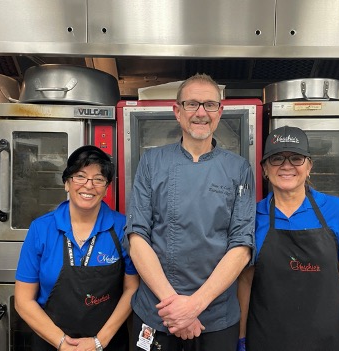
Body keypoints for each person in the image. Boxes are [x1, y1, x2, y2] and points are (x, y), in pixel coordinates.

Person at [123, 73, 256, 351]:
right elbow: (137, 238)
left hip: (215, 317)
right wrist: (176, 309)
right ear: (177, 111)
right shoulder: (151, 162)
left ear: (219, 112)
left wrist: (194, 306)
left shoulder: (238, 169)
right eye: (192, 104)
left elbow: (242, 246)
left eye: (209, 105)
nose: (201, 113)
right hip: (157, 312)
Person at [238, 126, 339, 351]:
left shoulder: (337, 211)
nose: (286, 166)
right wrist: (241, 338)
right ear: (264, 168)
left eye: (296, 158)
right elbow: (245, 282)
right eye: (276, 159)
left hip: (327, 340)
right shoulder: (252, 216)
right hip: (267, 339)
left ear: (309, 166)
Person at [14, 145, 139, 351]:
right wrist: (62, 343)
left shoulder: (122, 228)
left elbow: (131, 288)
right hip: (51, 343)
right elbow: (23, 300)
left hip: (108, 344)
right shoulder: (42, 229)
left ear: (106, 188)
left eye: (98, 179)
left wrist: (99, 341)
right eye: (80, 176)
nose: (89, 186)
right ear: (66, 183)